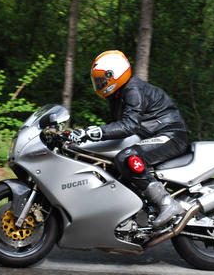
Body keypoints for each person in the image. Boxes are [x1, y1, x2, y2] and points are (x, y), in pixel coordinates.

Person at [69, 50, 190, 229]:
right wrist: (75, 137)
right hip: (152, 134)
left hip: (171, 134)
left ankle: (166, 203)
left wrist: (88, 133)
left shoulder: (133, 89)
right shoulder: (116, 95)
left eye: (102, 79)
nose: (99, 83)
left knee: (127, 158)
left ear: (114, 75)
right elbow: (114, 127)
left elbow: (129, 125)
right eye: (97, 80)